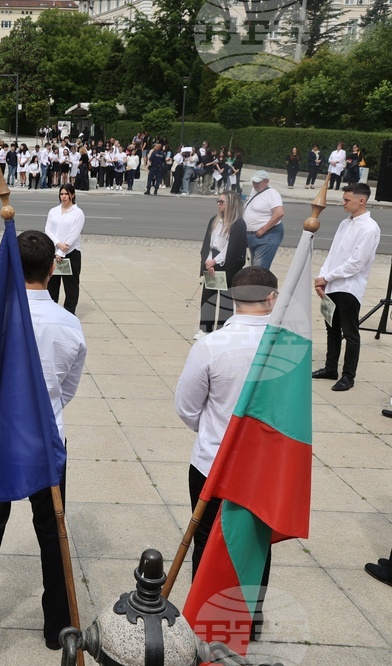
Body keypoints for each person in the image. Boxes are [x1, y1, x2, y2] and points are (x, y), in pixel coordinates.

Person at [0, 229, 87, 650]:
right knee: (52, 533)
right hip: (46, 439)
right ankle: (57, 626)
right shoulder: (68, 323)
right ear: (52, 268)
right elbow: (68, 387)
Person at [176, 266, 279, 642]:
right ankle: (250, 617)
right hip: (264, 466)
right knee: (257, 541)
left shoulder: (210, 345)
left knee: (205, 539)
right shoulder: (287, 347)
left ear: (233, 297)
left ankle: (206, 616)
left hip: (212, 463)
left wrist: (212, 430)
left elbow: (186, 407)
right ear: (272, 298)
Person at [311, 183, 381, 392]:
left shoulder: (369, 228)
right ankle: (330, 367)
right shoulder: (345, 223)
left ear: (362, 200)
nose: (343, 202)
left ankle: (348, 376)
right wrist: (322, 277)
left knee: (350, 333)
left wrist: (328, 277)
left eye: (347, 199)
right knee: (331, 329)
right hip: (332, 284)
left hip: (349, 288)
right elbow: (333, 253)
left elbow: (356, 263)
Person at [197, 191, 247, 335]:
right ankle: (205, 329)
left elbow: (232, 248)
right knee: (208, 296)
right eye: (218, 201)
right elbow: (209, 243)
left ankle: (223, 329)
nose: (219, 204)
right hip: (211, 262)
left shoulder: (238, 224)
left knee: (226, 299)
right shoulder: (215, 220)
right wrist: (208, 262)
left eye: (222, 202)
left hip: (227, 264)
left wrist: (215, 261)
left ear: (231, 204)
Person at [44, 184, 85, 314]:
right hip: (54, 253)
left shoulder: (77, 213)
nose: (64, 197)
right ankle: (52, 312)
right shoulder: (53, 211)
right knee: (52, 285)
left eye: (66, 194)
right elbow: (48, 230)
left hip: (70, 254)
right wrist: (57, 245)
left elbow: (73, 235)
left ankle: (69, 312)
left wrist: (62, 251)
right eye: (62, 194)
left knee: (71, 286)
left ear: (72, 195)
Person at [243, 170, 284, 270]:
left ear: (266, 182)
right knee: (254, 266)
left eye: (258, 183)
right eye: (254, 182)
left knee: (259, 267)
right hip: (253, 235)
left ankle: (258, 285)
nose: (255, 185)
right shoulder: (255, 191)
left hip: (266, 235)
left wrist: (264, 229)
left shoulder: (272, 193)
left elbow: (279, 212)